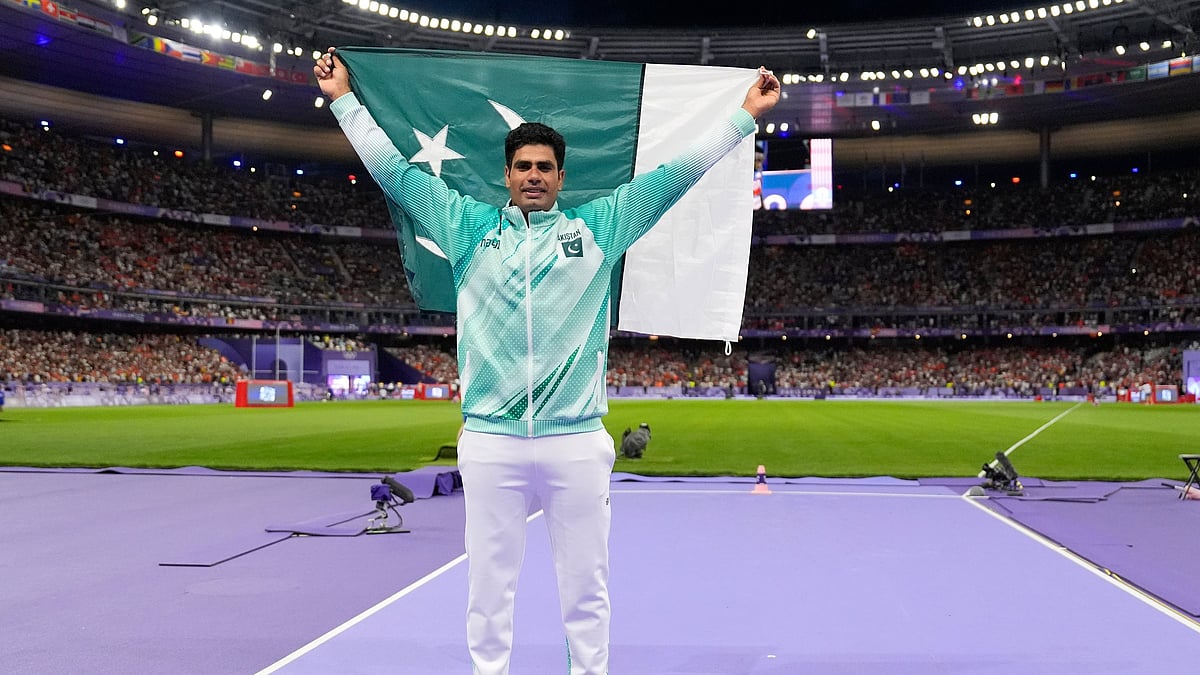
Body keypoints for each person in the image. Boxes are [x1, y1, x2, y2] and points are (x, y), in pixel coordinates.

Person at [314, 49, 779, 675]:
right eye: (524, 166)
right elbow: (392, 170)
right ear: (506, 174)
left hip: (576, 442)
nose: (534, 175)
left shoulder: (601, 228)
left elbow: (677, 174)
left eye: (546, 167)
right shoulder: (460, 225)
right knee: (488, 588)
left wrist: (744, 116)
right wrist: (344, 99)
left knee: (586, 589)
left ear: (561, 177)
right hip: (489, 441)